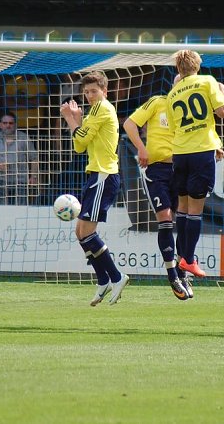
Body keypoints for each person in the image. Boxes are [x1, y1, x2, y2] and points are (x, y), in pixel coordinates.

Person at [59, 71, 129, 306]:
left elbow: (80, 139)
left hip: (104, 175)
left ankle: (117, 277)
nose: (89, 96)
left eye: (94, 91)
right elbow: (80, 146)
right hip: (95, 174)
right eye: (86, 92)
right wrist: (78, 121)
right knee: (80, 232)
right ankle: (103, 280)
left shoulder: (102, 108)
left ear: (104, 91)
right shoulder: (93, 112)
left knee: (87, 232)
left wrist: (70, 119)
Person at [123, 90, 193, 300]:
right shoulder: (157, 102)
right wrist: (141, 148)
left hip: (182, 168)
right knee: (165, 218)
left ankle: (182, 271)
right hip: (156, 170)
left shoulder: (190, 107)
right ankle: (172, 276)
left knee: (185, 221)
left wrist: (215, 146)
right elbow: (129, 124)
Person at [166, 50, 224, 281]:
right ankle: (189, 259)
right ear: (198, 66)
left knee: (182, 207)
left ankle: (183, 256)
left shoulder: (172, 94)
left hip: (180, 153)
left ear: (178, 69)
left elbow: (174, 128)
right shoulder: (207, 81)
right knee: (195, 209)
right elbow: (222, 112)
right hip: (201, 152)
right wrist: (223, 92)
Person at [0, 112, 39, 205]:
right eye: (5, 123)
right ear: (0, 125)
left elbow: (34, 158)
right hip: (1, 181)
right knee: (1, 209)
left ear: (15, 125)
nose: (8, 125)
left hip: (20, 181)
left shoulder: (24, 138)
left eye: (11, 123)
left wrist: (33, 176)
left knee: (21, 209)